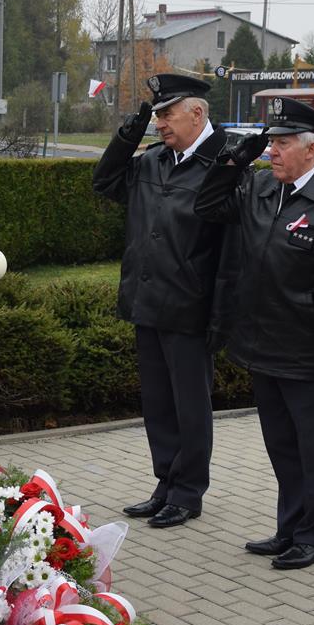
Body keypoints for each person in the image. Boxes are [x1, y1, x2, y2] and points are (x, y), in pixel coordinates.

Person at [194, 98, 314, 571]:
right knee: (281, 445)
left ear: (312, 151)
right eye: (270, 142)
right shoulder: (259, 187)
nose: (271, 151)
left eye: (281, 142)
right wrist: (236, 158)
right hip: (262, 345)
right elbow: (209, 203)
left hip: (310, 352)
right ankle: (289, 527)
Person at [93, 74, 227, 529]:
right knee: (158, 402)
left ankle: (189, 492)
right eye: (156, 116)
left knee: (190, 405)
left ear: (197, 113)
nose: (160, 124)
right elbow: (105, 180)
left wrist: (222, 313)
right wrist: (129, 134)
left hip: (191, 306)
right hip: (147, 300)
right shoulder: (153, 160)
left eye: (167, 114)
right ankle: (165, 483)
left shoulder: (225, 166)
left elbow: (233, 251)